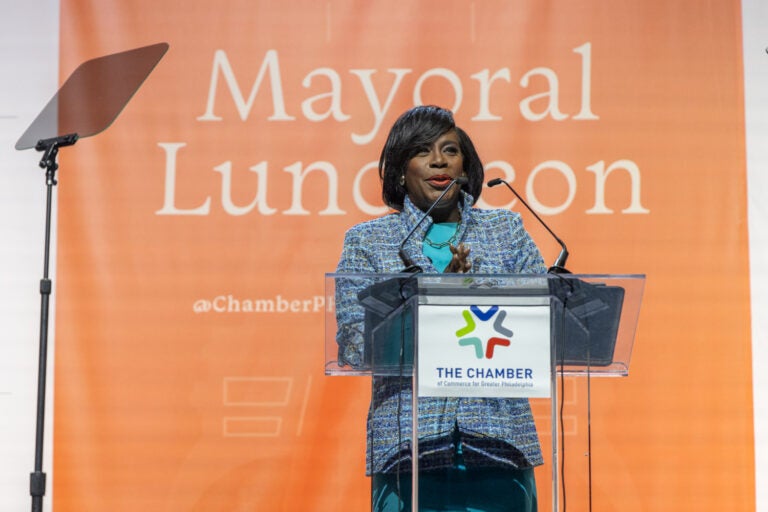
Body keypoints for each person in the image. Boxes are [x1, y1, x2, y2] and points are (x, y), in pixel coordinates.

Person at [335, 105, 546, 511]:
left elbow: (543, 319)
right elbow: (354, 344)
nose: (438, 161)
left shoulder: (506, 231)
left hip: (498, 442)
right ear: (400, 169)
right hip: (407, 447)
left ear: (465, 164)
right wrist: (436, 292)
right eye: (422, 151)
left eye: (450, 149)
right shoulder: (367, 241)